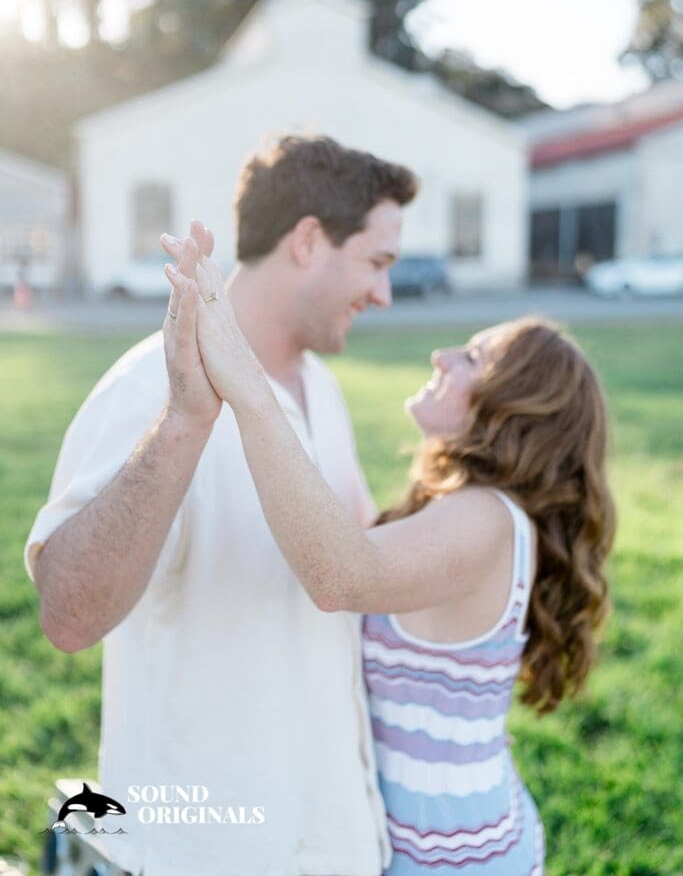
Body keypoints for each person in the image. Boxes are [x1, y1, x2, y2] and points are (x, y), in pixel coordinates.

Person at [25, 135, 419, 876]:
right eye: (376, 262)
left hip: (335, 837)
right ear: (308, 240)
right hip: (207, 849)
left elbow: (360, 565)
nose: (383, 293)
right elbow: (68, 617)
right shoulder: (148, 385)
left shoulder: (321, 388)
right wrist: (183, 423)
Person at [166, 252, 616, 876]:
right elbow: (344, 521)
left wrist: (248, 386)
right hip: (437, 843)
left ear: (515, 409)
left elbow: (339, 573)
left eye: (473, 358)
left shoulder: (485, 518)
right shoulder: (458, 513)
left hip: (456, 858)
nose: (442, 357)